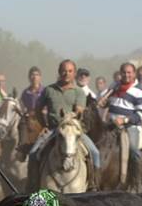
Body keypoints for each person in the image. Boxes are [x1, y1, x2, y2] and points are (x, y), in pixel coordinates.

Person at [33, 59, 100, 188]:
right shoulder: (49, 90)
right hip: (53, 129)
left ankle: (93, 184)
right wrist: (44, 125)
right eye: (64, 71)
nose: (66, 74)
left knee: (95, 153)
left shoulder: (79, 92)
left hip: (73, 131)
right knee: (33, 153)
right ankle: (32, 184)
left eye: (70, 71)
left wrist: (69, 120)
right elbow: (38, 109)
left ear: (74, 73)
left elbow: (79, 110)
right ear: (59, 72)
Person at [101, 62, 142, 190]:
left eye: (129, 72)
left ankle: (136, 182)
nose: (126, 75)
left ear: (134, 74)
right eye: (124, 72)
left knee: (134, 150)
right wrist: (103, 102)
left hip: (130, 127)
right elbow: (108, 103)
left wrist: (125, 120)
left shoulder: (139, 92)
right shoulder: (114, 87)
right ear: (120, 73)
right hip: (110, 125)